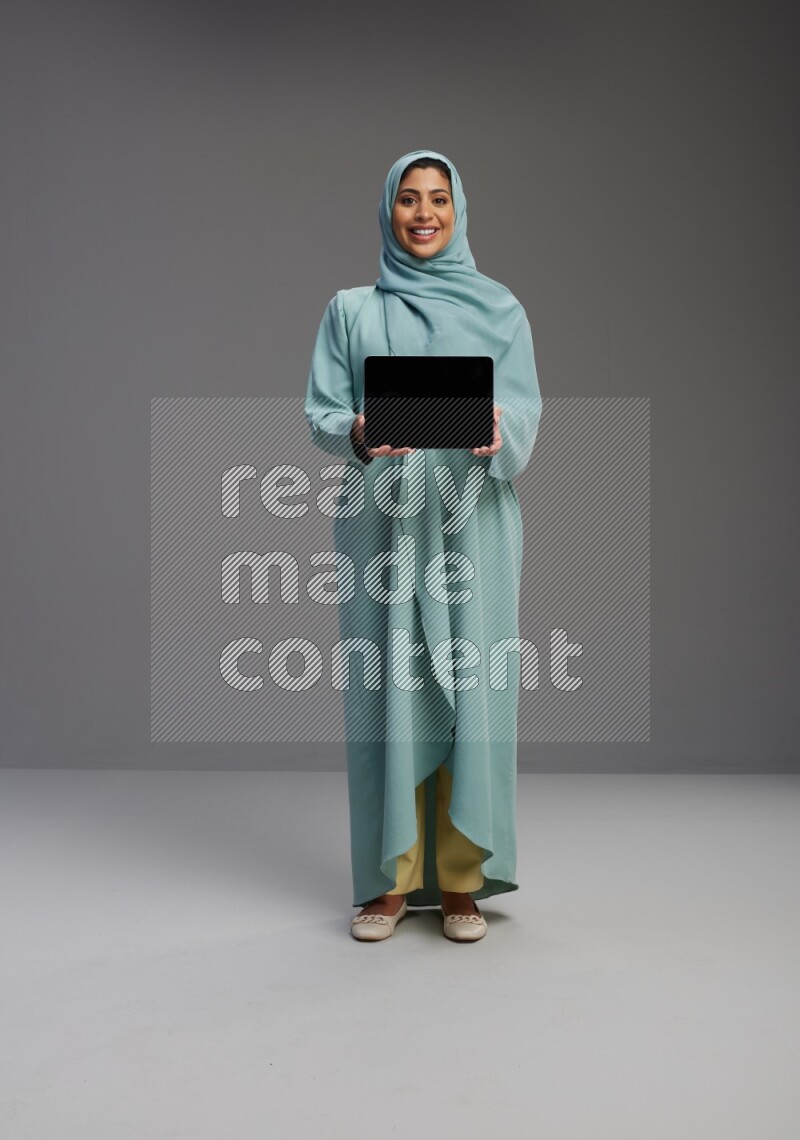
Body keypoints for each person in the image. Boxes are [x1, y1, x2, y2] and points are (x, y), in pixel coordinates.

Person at [304, 149, 543, 943]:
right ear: (388, 210)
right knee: (388, 696)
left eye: (438, 198)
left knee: (473, 695)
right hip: (384, 522)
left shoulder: (501, 309)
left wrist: (498, 436)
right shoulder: (350, 310)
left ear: (459, 209)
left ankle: (462, 880)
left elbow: (524, 423)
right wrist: (361, 431)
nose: (424, 213)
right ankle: (389, 881)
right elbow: (323, 413)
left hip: (474, 520)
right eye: (408, 199)